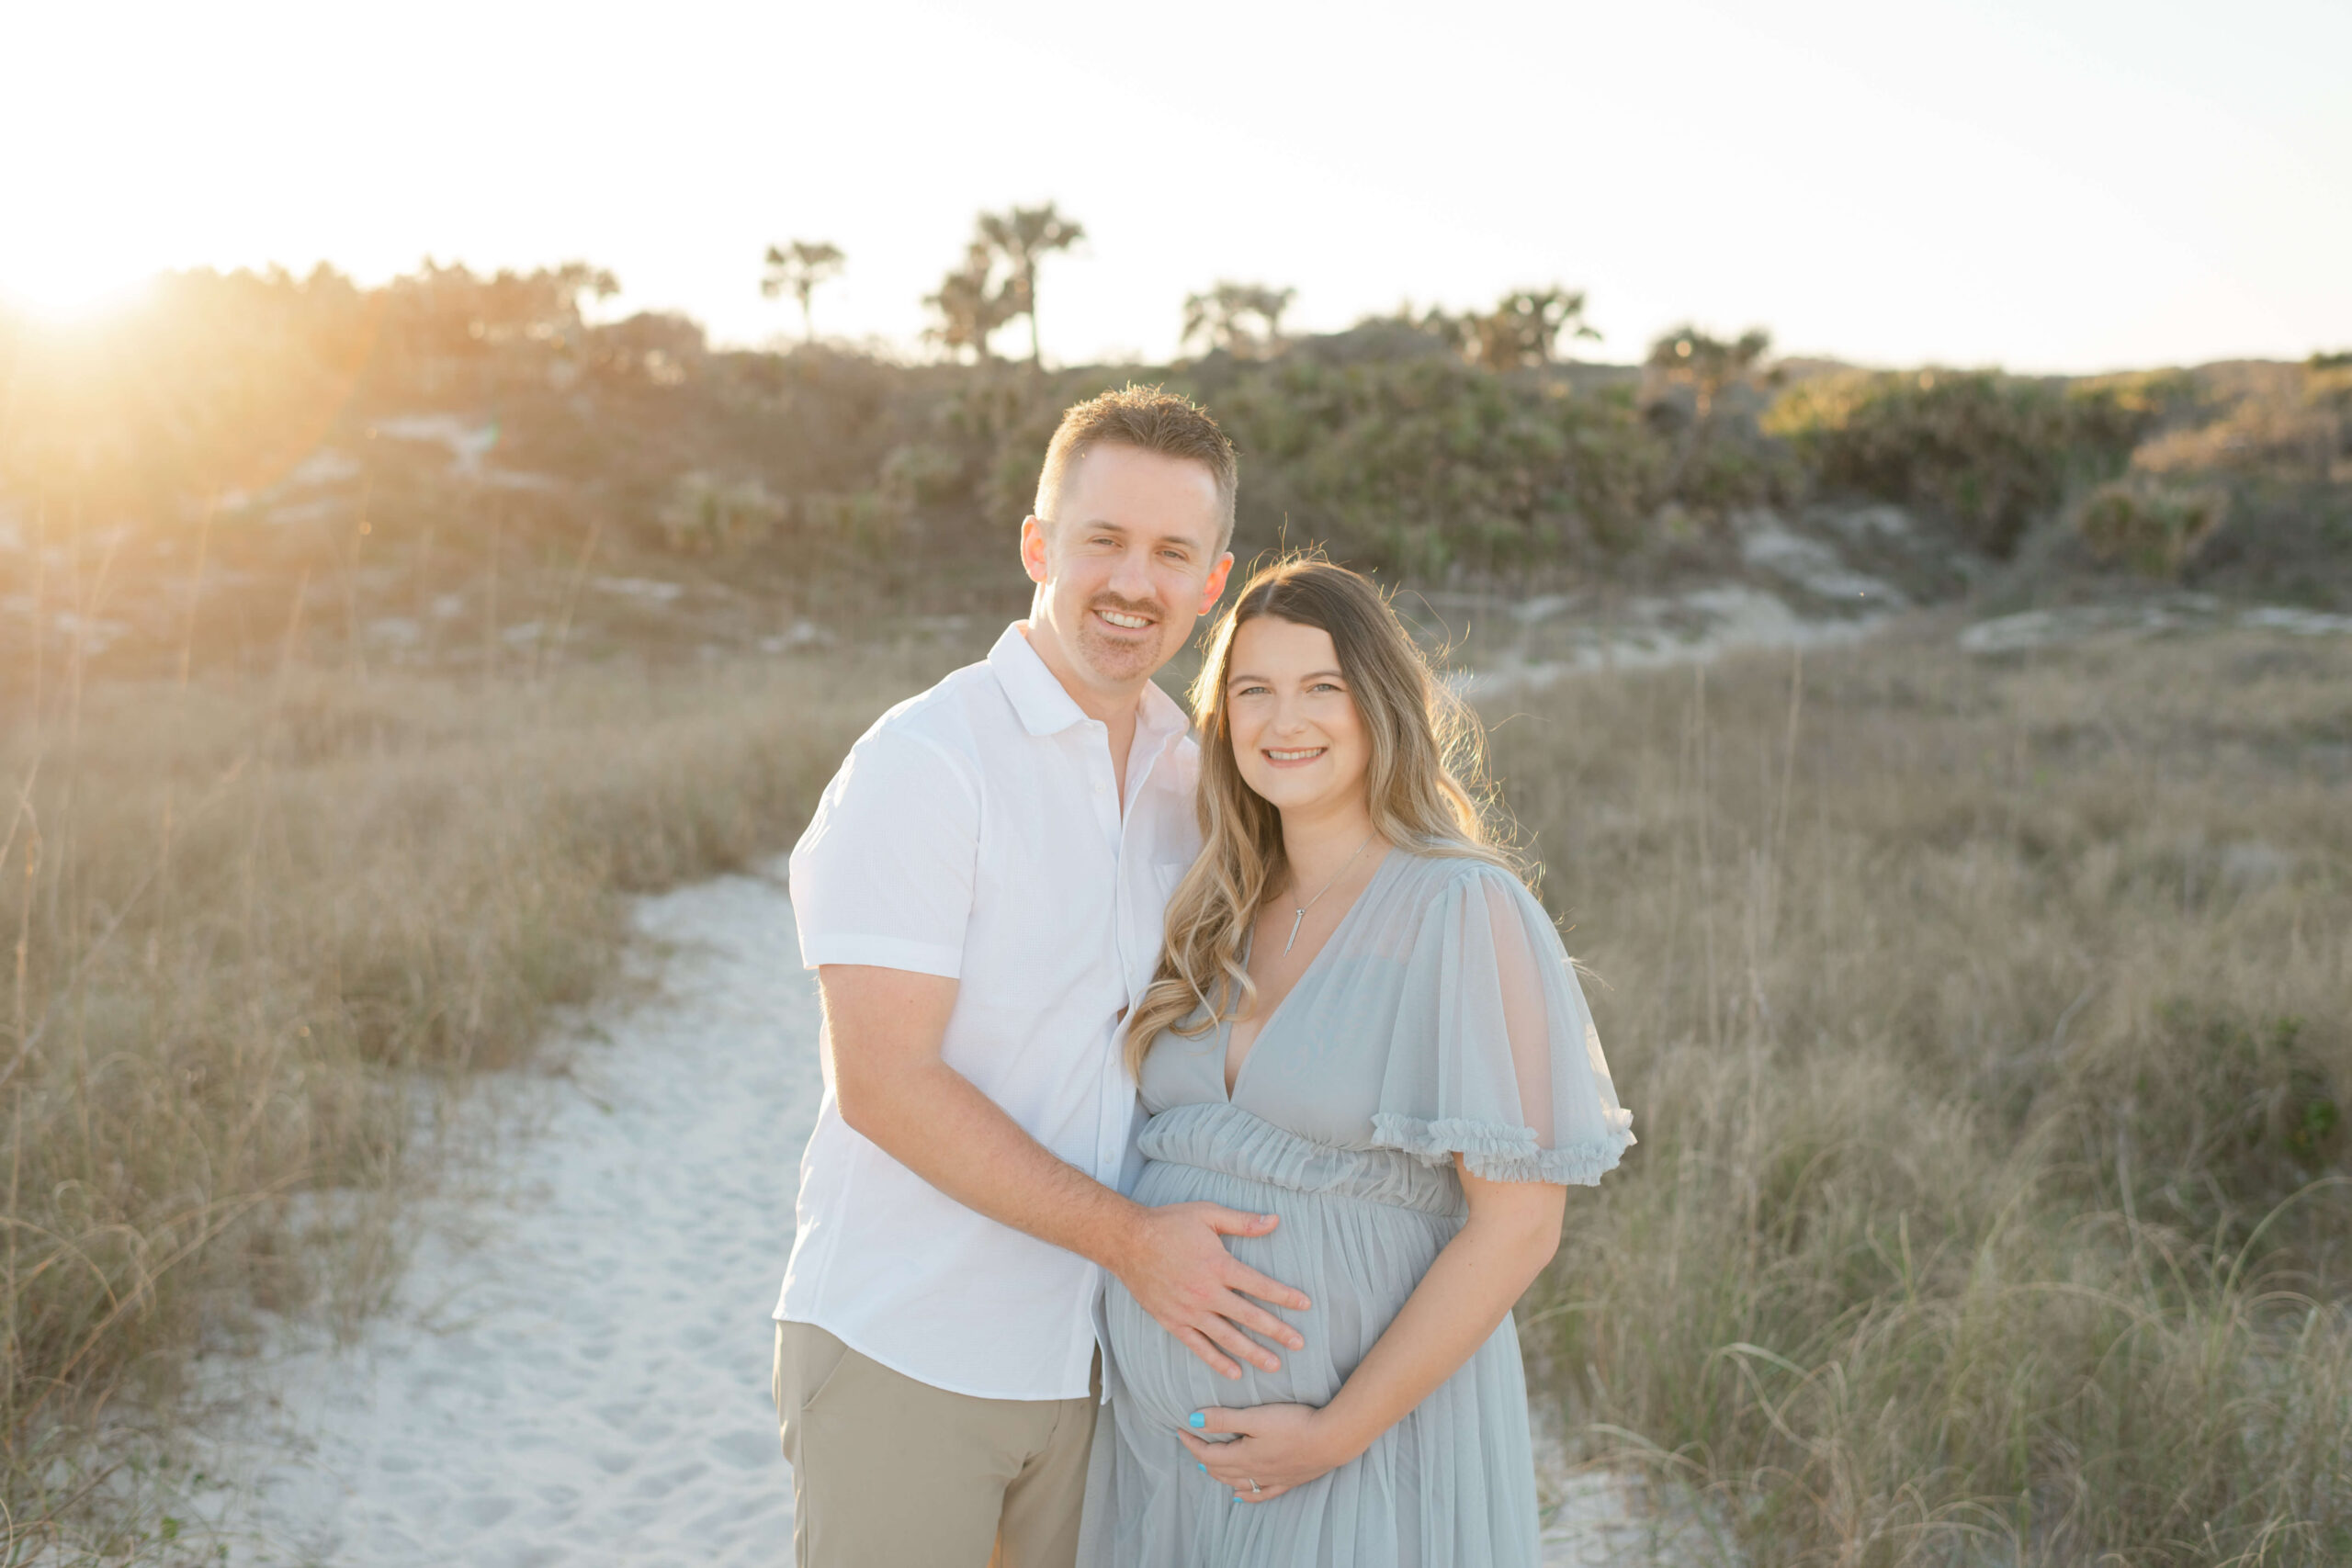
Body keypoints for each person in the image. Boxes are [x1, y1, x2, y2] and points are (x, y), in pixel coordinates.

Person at [772, 387, 1314, 1567]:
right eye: (1103, 540)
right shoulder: (925, 762)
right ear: (1037, 546)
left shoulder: (1197, 778)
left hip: (1099, 1369)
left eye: (1172, 553)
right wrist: (1133, 1241)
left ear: (1212, 584)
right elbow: (884, 1082)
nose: (1134, 583)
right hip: (909, 1345)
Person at [1081, 558, 1635, 1567]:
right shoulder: (1213, 906)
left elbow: (1518, 1229)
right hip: (1163, 1464)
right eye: (1253, 690)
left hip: (1359, 1450)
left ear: (1378, 704)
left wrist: (1333, 1433)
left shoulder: (1460, 908)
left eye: (1319, 688)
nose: (1282, 720)